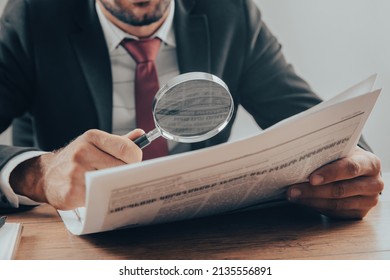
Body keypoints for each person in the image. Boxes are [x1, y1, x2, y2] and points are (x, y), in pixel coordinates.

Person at [0, 0, 383, 218]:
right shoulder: (31, 17)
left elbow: (314, 120)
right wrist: (38, 174)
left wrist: (351, 169)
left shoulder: (230, 15)